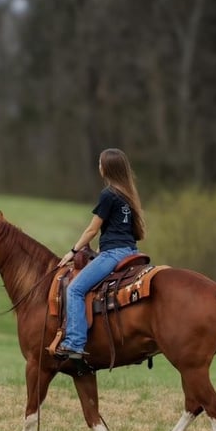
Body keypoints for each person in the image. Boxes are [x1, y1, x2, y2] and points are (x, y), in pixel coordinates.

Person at [55, 148, 146, 360]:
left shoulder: (108, 195)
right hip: (131, 252)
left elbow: (92, 229)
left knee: (75, 289)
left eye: (100, 163)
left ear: (107, 168)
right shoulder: (129, 196)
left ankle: (75, 343)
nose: (98, 167)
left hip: (113, 255)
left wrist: (73, 251)